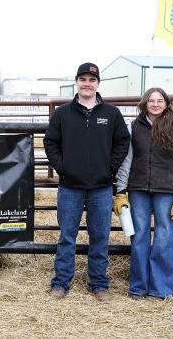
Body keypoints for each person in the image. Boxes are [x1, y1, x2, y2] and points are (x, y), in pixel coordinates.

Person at [44, 62, 130, 301]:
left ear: (98, 84)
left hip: (101, 187)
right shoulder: (63, 113)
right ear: (76, 82)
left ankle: (99, 283)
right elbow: (50, 142)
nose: (87, 84)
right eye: (83, 79)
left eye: (92, 80)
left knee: (100, 236)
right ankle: (61, 282)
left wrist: (110, 169)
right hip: (70, 186)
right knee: (67, 236)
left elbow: (122, 142)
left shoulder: (111, 114)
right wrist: (62, 168)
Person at [114, 87, 173, 299]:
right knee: (139, 235)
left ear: (166, 104)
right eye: (151, 100)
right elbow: (127, 160)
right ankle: (138, 286)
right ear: (144, 104)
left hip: (166, 189)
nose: (155, 104)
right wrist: (121, 190)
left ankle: (161, 288)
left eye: (159, 101)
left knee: (164, 235)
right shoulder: (133, 127)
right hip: (138, 188)